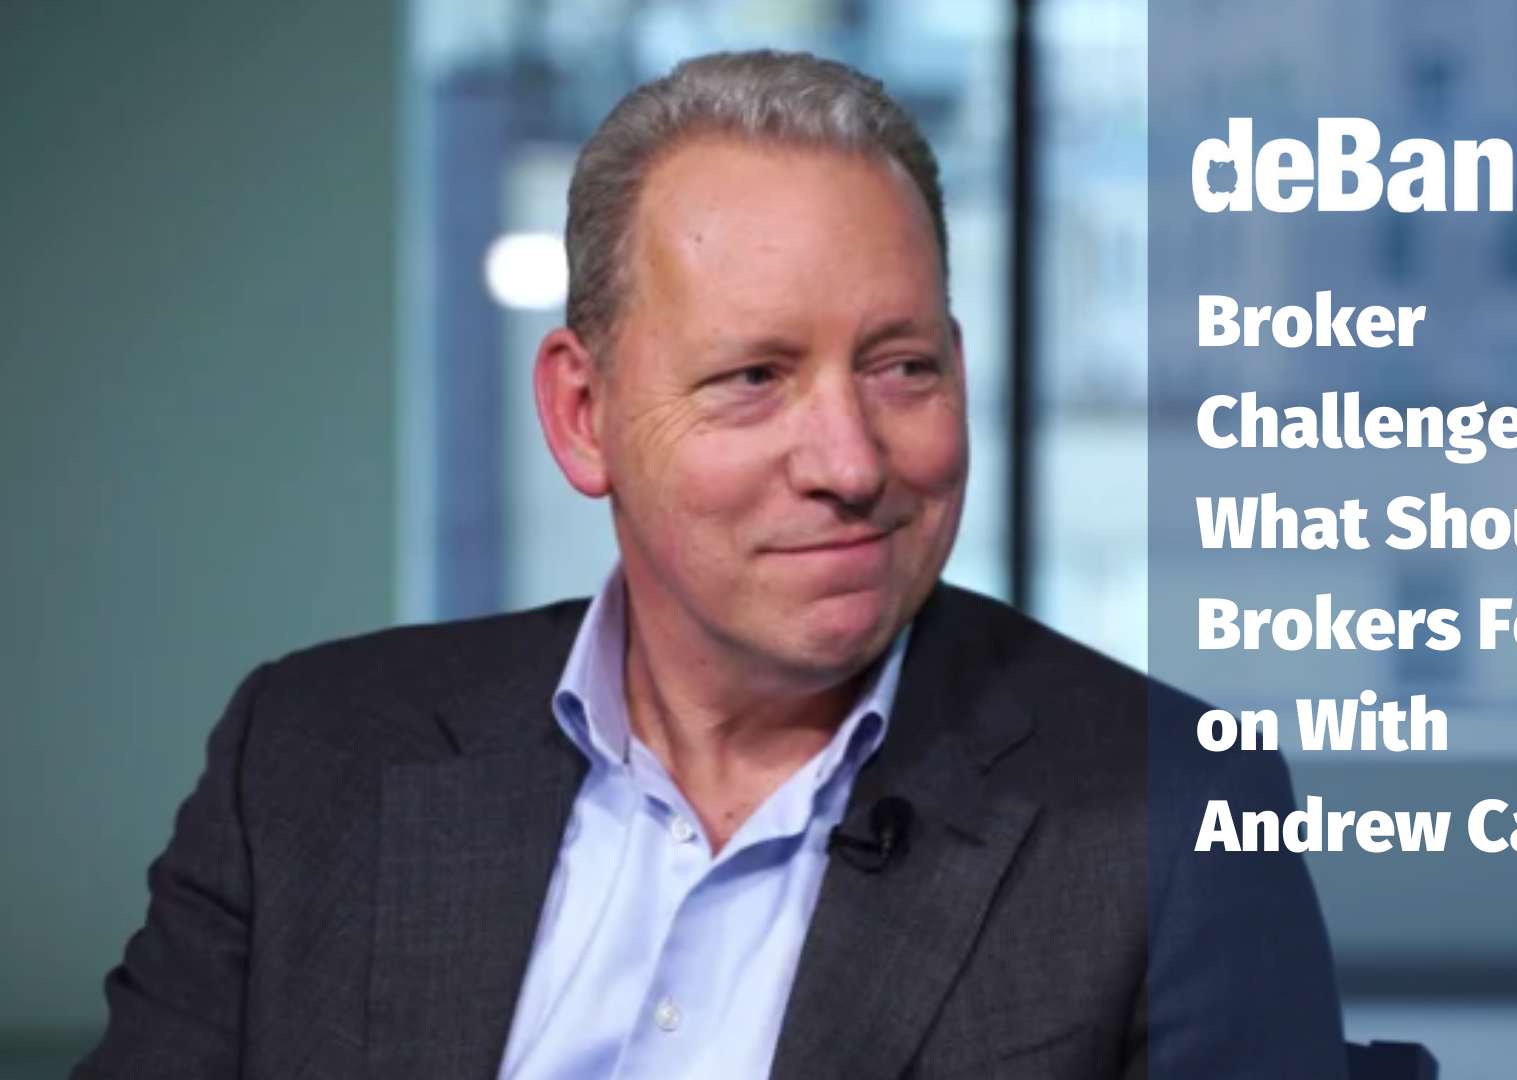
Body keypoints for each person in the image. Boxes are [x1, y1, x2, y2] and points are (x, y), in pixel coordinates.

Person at [75, 50, 1346, 1078]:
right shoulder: (309, 756)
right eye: (753, 378)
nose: (851, 461)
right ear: (582, 415)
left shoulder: (1172, 814)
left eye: (903, 368)